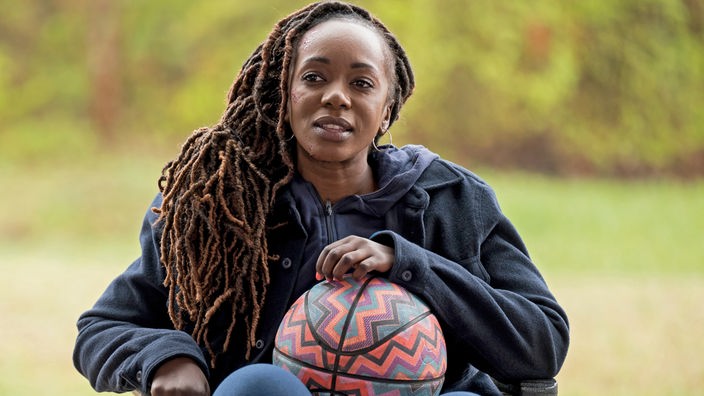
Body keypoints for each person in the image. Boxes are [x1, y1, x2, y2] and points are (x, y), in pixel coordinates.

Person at [73, 2, 569, 395]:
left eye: (361, 83)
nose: (336, 96)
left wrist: (408, 262)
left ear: (387, 106)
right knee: (256, 385)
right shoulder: (213, 207)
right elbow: (103, 327)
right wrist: (166, 356)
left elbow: (542, 340)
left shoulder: (453, 200)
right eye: (314, 77)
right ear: (282, 93)